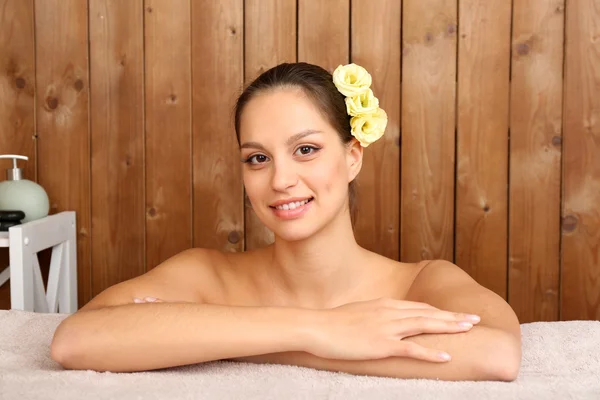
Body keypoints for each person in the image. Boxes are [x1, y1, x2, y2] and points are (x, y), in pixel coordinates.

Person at [50, 62, 521, 381]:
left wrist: (213, 339)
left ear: (352, 156)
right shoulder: (205, 274)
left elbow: (495, 352)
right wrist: (318, 332)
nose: (280, 179)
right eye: (257, 158)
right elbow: (75, 340)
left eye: (306, 150)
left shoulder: (421, 282)